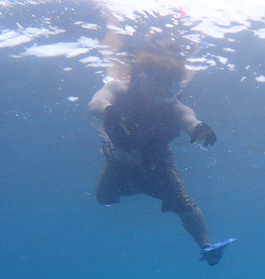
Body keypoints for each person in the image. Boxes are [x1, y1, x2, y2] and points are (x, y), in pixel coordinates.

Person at [88, 50, 232, 266]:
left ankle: (206, 245)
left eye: (171, 86)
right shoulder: (121, 89)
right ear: (142, 78)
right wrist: (109, 110)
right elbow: (96, 102)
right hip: (119, 158)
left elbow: (188, 119)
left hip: (158, 162)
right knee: (104, 197)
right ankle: (145, 186)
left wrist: (199, 129)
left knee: (182, 202)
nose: (163, 91)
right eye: (157, 82)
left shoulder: (174, 107)